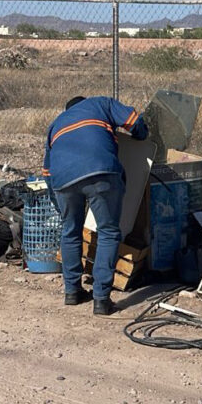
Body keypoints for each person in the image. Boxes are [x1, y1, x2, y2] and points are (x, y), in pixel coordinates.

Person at [42, 95, 148, 316]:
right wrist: (142, 136)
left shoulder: (55, 125)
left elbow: (47, 174)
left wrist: (60, 205)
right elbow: (134, 122)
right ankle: (101, 299)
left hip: (63, 180)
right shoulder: (100, 103)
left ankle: (72, 291)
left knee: (70, 231)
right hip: (100, 171)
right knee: (108, 232)